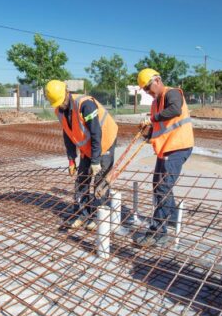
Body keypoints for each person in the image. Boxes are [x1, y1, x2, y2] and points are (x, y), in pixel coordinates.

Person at [132, 68, 194, 247]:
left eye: (148, 88)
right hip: (165, 149)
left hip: (178, 147)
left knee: (162, 188)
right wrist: (147, 132)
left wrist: (152, 120)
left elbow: (175, 110)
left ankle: (159, 232)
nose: (147, 92)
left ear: (157, 81)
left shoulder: (172, 93)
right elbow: (158, 128)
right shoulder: (155, 104)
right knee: (159, 186)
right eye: (144, 90)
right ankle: (172, 218)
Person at [45, 80, 118, 231]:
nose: (61, 104)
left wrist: (96, 159)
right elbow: (68, 134)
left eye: (62, 100)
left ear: (67, 92)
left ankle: (99, 217)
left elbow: (96, 133)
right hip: (87, 147)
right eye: (58, 103)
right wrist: (71, 159)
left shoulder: (85, 104)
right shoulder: (59, 110)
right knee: (82, 179)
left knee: (100, 181)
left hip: (104, 141)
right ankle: (83, 213)